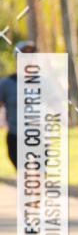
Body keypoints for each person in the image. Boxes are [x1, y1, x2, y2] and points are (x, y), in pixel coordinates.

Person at [0, 39, 37, 169]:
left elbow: (55, 105)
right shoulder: (6, 83)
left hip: (39, 137)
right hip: (15, 136)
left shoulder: (44, 82)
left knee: (38, 174)